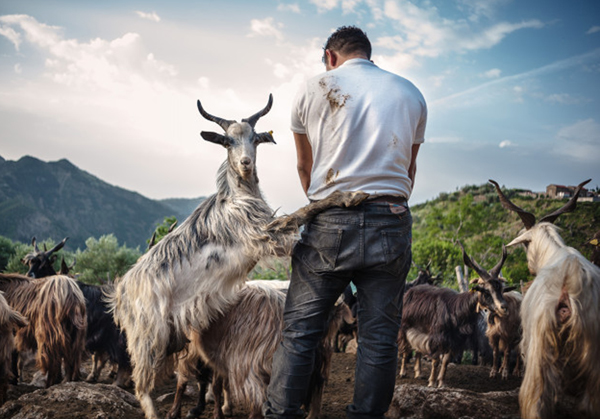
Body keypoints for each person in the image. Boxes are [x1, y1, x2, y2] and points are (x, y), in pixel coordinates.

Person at [264, 26, 427, 419]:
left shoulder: (312, 88)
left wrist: (328, 208)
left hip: (330, 221)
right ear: (368, 55)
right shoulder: (411, 94)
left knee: (301, 332)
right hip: (391, 218)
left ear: (330, 57)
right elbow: (409, 168)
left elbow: (305, 167)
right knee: (380, 338)